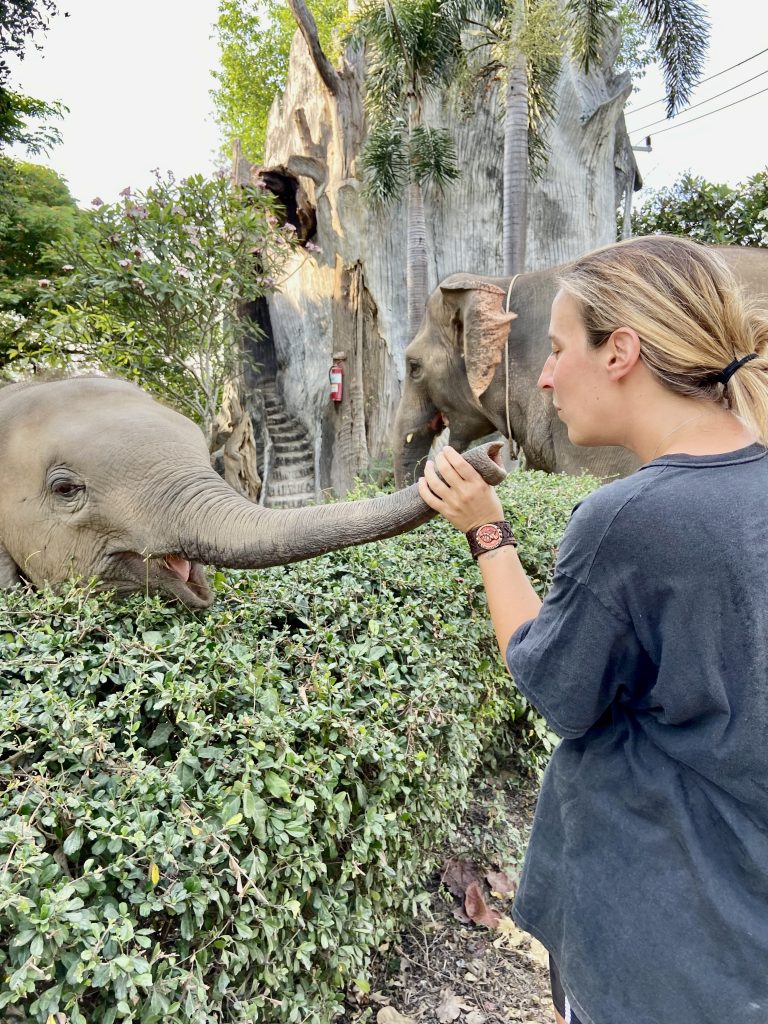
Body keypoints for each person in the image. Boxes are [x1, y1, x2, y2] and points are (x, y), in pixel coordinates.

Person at [417, 235, 768, 1024]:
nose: (543, 376)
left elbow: (557, 689)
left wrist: (486, 531)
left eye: (558, 348)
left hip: (662, 935)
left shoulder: (629, 520)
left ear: (622, 353)